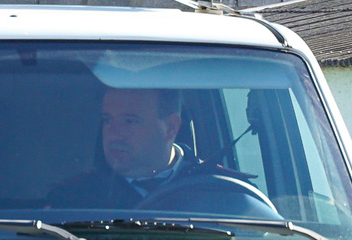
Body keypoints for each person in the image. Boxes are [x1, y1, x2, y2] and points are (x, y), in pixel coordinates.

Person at [43, 87, 280, 216]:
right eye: (107, 120)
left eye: (129, 121)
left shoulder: (229, 193)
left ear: (170, 127)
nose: (113, 133)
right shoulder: (72, 201)